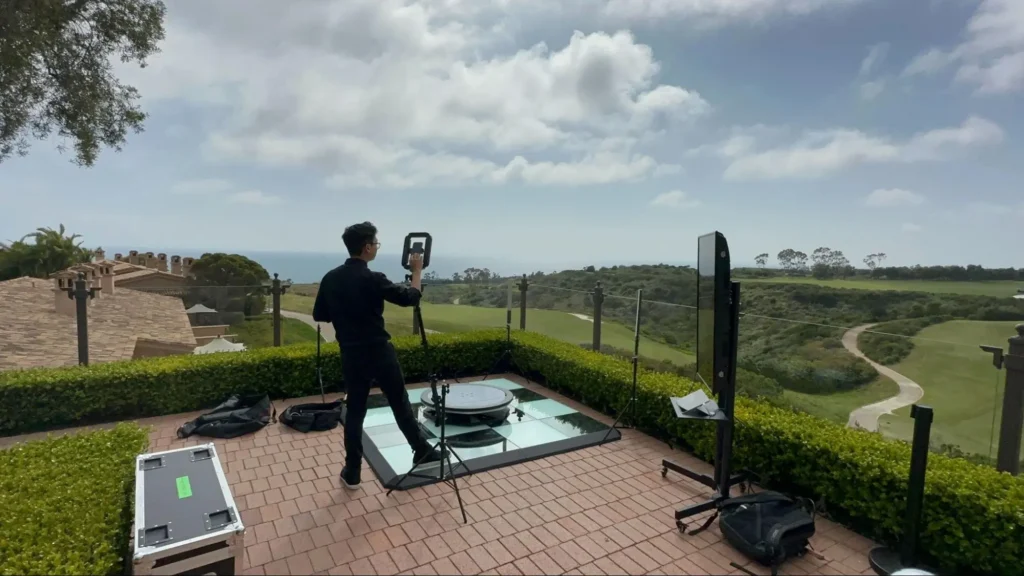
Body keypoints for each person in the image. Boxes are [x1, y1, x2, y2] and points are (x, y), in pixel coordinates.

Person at [312, 221, 440, 489]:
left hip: (351, 354)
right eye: (376, 244)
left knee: (356, 412)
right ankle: (421, 450)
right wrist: (417, 271)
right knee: (399, 403)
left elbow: (319, 315)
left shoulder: (330, 278)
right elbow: (410, 298)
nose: (376, 248)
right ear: (367, 247)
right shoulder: (373, 278)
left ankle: (353, 471)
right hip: (380, 352)